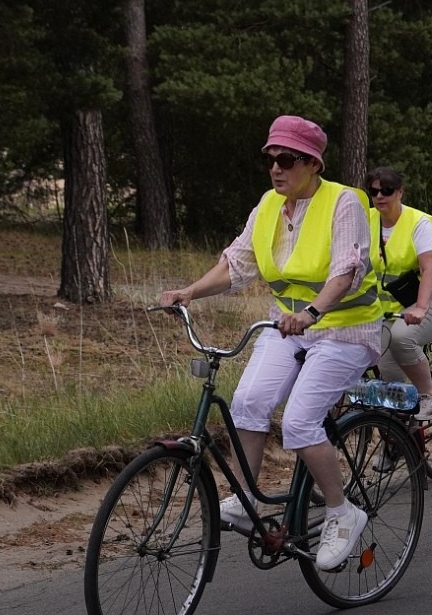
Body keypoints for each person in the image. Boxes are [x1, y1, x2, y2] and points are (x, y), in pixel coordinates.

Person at [159, 115, 381, 571]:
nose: (276, 168)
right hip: (288, 327)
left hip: (347, 330)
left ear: (313, 164)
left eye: (287, 159)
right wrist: (190, 291)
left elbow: (345, 270)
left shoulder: (343, 203)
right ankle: (244, 499)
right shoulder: (267, 207)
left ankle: (343, 512)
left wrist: (313, 313)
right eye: (270, 159)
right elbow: (236, 263)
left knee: (300, 423)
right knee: (248, 402)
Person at [366, 166, 432, 420]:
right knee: (384, 366)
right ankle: (400, 434)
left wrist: (420, 307)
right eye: (373, 191)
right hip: (394, 304)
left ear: (400, 193)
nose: (379, 196)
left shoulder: (419, 222)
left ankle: (430, 396)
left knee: (401, 338)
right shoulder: (367, 221)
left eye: (386, 190)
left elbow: (430, 268)